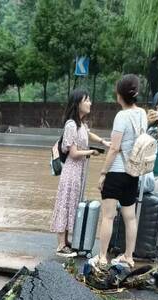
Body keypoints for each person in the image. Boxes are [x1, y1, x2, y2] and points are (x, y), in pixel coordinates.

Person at [96, 74, 148, 267]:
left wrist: (103, 173)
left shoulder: (121, 116)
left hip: (117, 172)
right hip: (133, 172)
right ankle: (129, 256)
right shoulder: (142, 113)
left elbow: (114, 148)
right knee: (130, 216)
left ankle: (102, 256)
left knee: (108, 216)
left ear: (119, 94)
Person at [50, 90, 107, 254]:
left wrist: (103, 141)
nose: (90, 103)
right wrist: (91, 152)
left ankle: (66, 241)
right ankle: (61, 245)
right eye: (87, 100)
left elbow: (88, 134)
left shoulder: (81, 124)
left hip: (79, 171)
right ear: (78, 104)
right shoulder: (71, 125)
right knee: (65, 204)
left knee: (73, 204)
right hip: (71, 171)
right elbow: (73, 153)